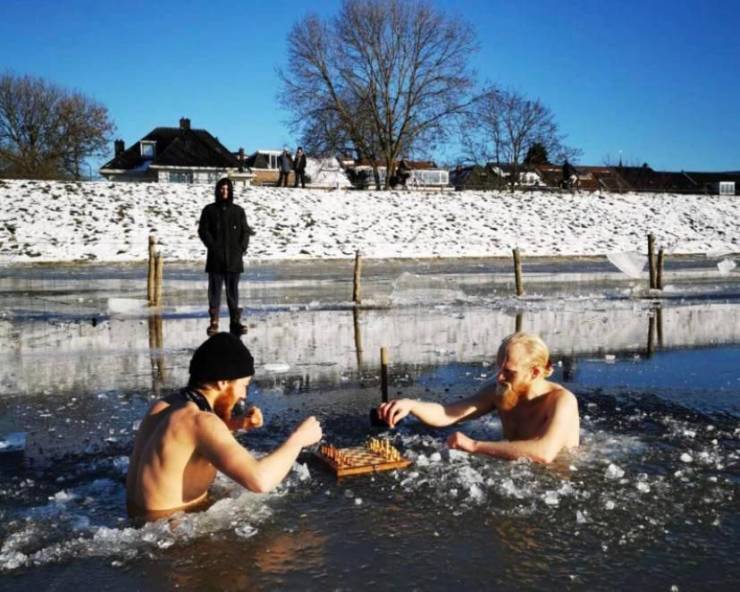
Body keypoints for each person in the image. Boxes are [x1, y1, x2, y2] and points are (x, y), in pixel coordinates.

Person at [126, 332, 323, 520]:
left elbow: (188, 443)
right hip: (172, 532)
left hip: (139, 518)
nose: (244, 395)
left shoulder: (165, 406)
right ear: (222, 382)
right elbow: (260, 481)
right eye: (243, 385)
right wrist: (298, 439)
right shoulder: (200, 422)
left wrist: (235, 424)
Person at [376, 332, 579, 464]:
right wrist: (411, 405)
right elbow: (448, 413)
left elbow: (544, 453)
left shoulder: (561, 401)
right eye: (498, 368)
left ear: (534, 373)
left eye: (509, 371)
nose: (499, 377)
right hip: (516, 466)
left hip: (558, 477)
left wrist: (475, 446)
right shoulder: (500, 391)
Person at [198, 178, 252, 335]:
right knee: (214, 292)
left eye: (227, 189)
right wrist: (212, 246)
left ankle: (235, 322)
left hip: (234, 259)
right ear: (217, 190)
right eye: (222, 189)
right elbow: (203, 230)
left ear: (231, 191)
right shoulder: (209, 210)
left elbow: (245, 231)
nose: (224, 191)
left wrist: (242, 247)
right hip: (216, 259)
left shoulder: (238, 211)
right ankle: (214, 322)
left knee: (232, 292)